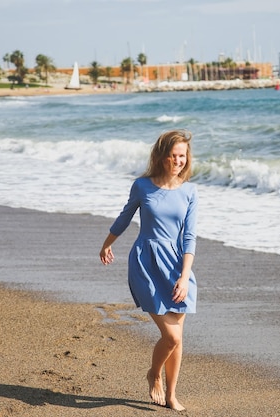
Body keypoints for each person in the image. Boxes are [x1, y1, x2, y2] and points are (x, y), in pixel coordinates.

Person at [99, 129, 198, 411]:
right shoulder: (142, 186)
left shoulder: (190, 191)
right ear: (162, 156)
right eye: (174, 155)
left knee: (177, 339)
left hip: (177, 265)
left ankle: (171, 395)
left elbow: (190, 237)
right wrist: (107, 243)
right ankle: (154, 373)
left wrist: (184, 277)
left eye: (183, 156)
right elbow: (125, 217)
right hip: (145, 261)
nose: (179, 161)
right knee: (172, 336)